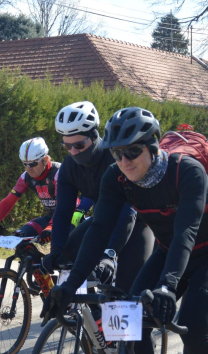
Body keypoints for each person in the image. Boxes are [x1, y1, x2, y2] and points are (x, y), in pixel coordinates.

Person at [49, 107, 208, 354]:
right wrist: (69, 285)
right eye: (117, 154)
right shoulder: (115, 178)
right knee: (128, 325)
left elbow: (186, 232)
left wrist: (167, 286)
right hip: (168, 252)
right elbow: (98, 231)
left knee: (193, 328)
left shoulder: (187, 172)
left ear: (152, 146)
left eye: (132, 151)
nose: (124, 161)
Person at [42, 101, 154, 295]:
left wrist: (110, 253)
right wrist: (56, 250)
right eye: (67, 146)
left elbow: (128, 212)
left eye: (78, 145)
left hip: (139, 223)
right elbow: (63, 212)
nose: (73, 152)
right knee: (66, 255)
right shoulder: (69, 166)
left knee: (128, 293)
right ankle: (91, 315)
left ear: (94, 136)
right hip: (103, 221)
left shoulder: (115, 159)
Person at [0, 137, 60, 243]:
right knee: (17, 239)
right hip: (51, 217)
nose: (28, 168)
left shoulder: (58, 173)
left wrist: (51, 227)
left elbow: (64, 206)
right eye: (25, 164)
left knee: (60, 251)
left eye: (33, 164)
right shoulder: (25, 177)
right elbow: (8, 202)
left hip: (70, 218)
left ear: (46, 160)